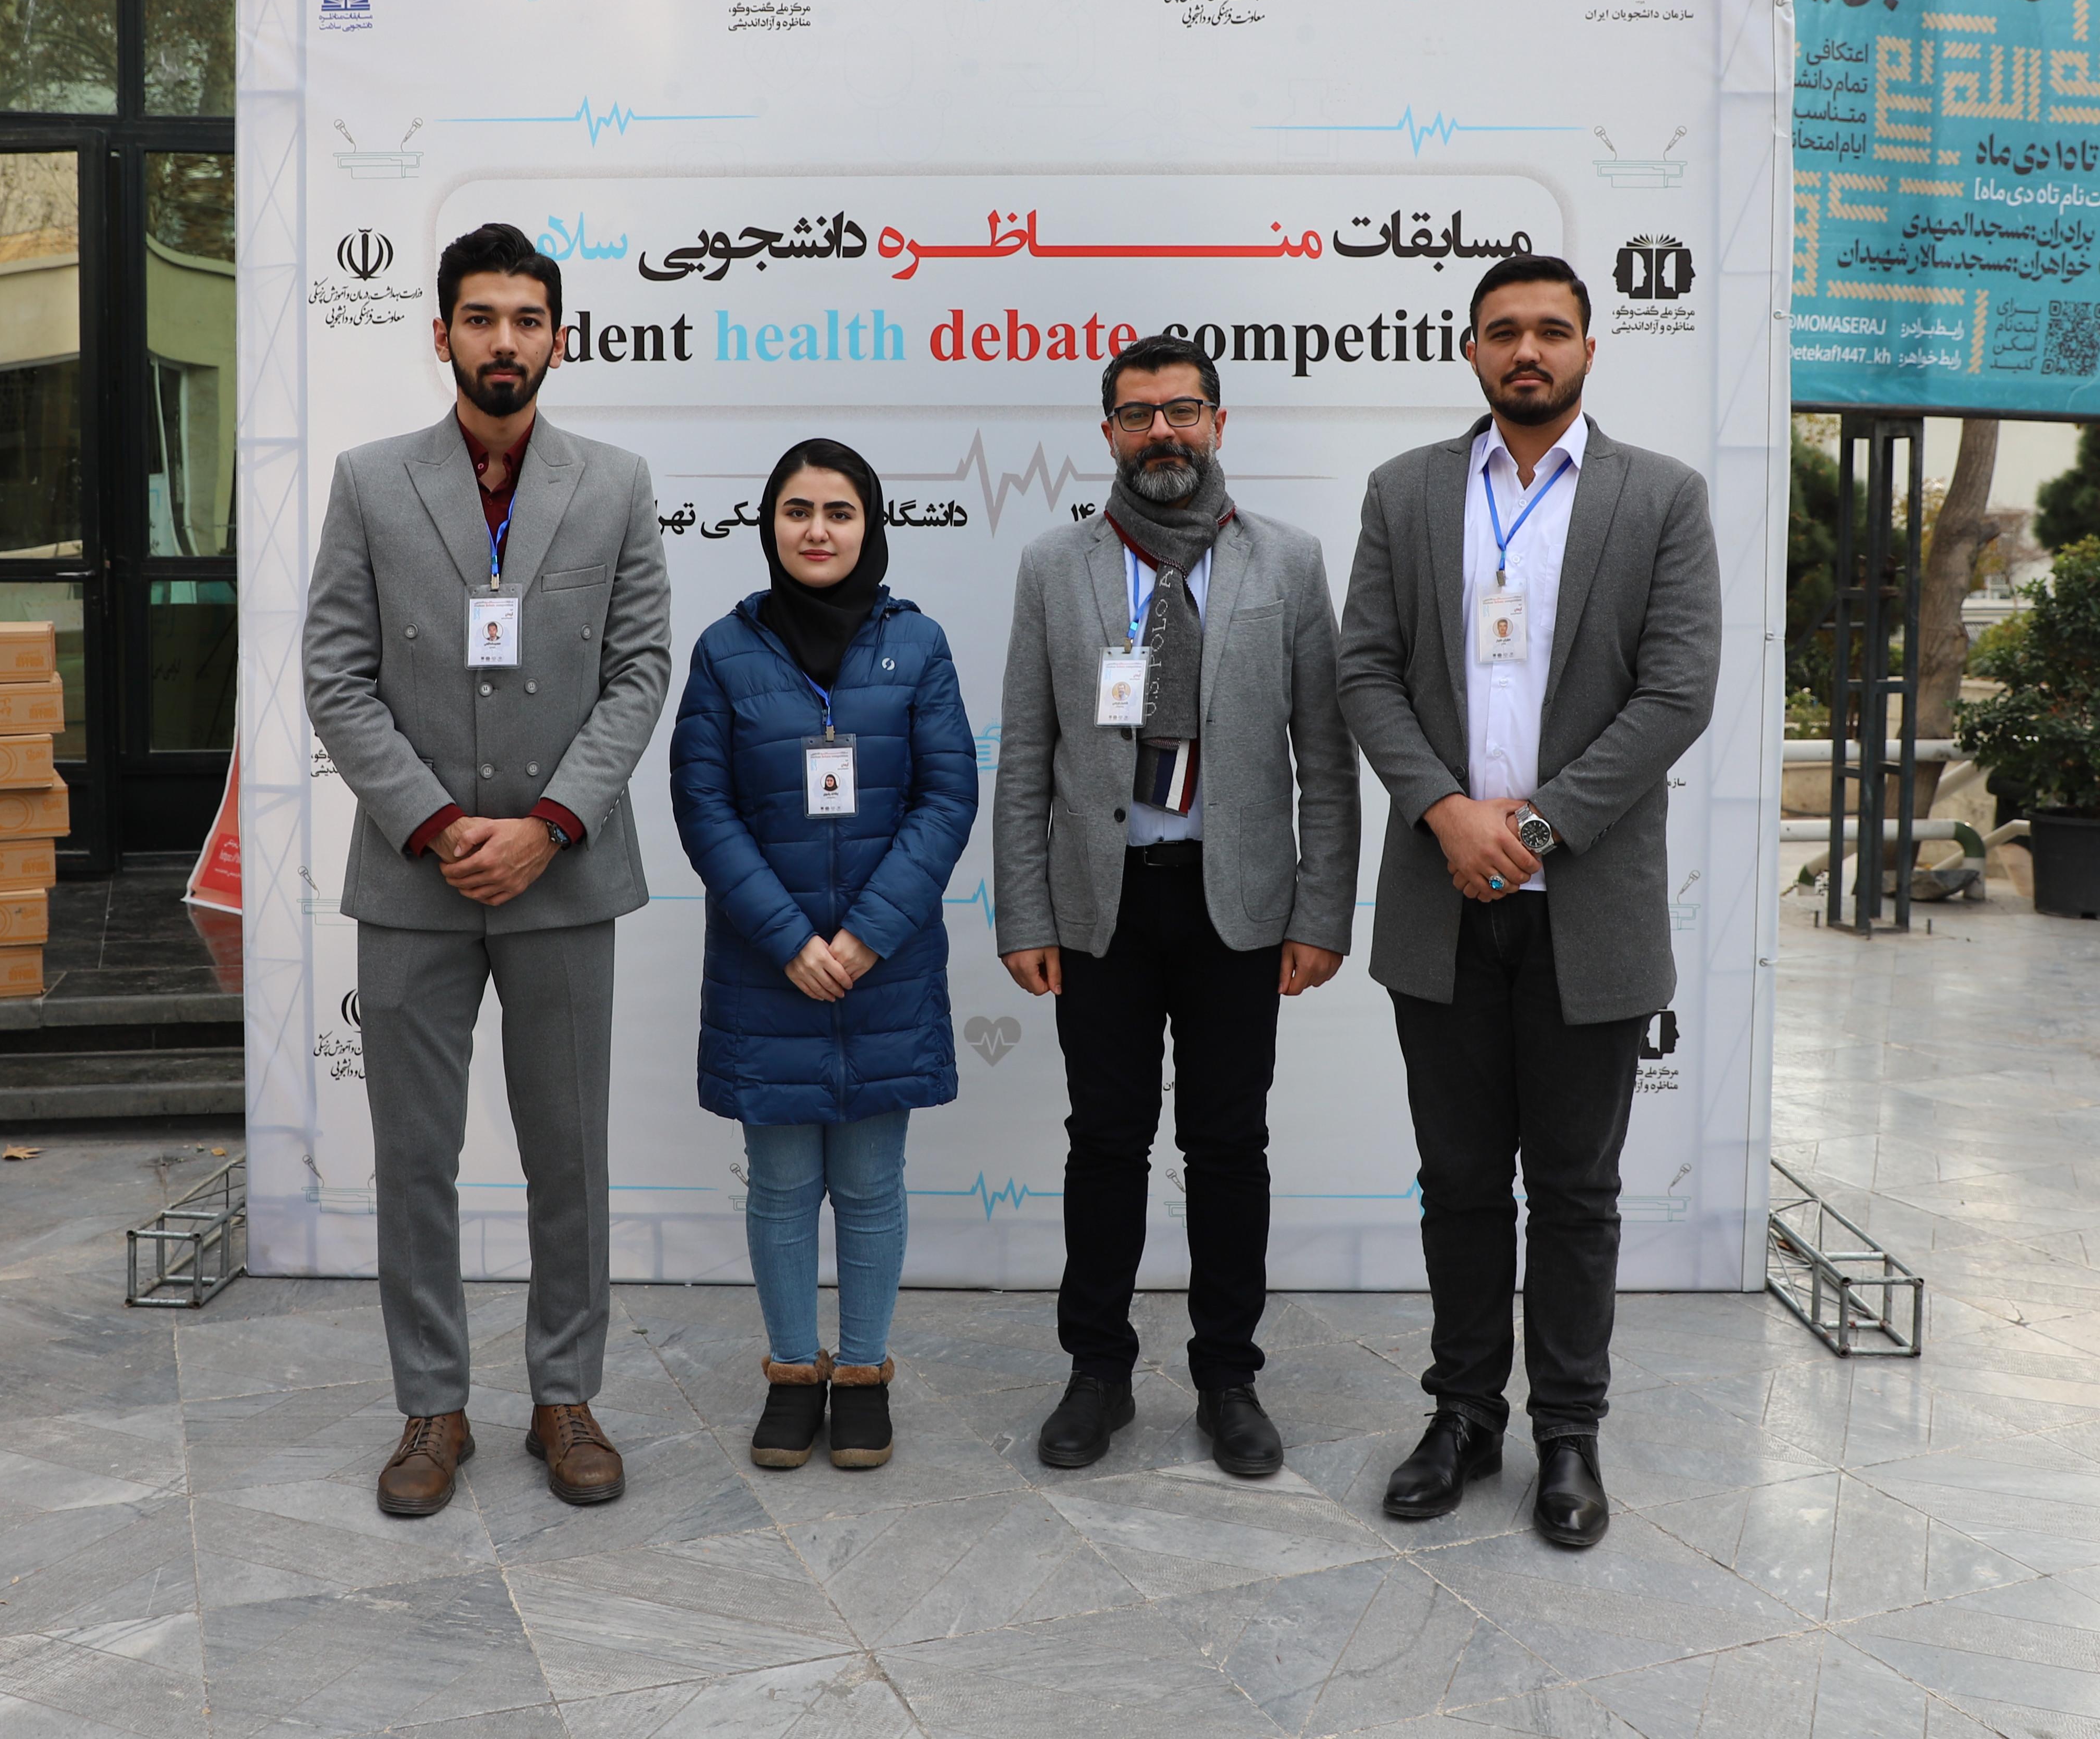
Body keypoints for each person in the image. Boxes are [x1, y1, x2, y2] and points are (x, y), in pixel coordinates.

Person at [1335, 253, 1719, 1550]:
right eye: (1503, 330)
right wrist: (1449, 815)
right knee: (1456, 1183)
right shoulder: (1404, 492)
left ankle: (1567, 1430)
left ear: (1590, 349)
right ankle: (1461, 1415)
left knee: (1574, 1190)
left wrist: (1536, 827)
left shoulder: (1660, 497)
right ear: (1471, 351)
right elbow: (1366, 670)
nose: (1528, 350)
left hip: (1586, 904)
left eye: (1552, 329)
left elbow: (1676, 691)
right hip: (1441, 898)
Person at [303, 220, 673, 1517]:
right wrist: (436, 823)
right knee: (415, 1159)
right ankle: (432, 1405)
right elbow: (335, 675)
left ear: (557, 337)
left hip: (563, 878)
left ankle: (565, 1395)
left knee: (568, 1156)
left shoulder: (615, 486)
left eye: (525, 318)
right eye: (480, 317)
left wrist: (549, 823)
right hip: (417, 880)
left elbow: (639, 673)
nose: (502, 340)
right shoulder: (369, 482)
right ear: (443, 332)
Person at [992, 336, 1360, 1478]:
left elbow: (1326, 757)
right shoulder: (1054, 567)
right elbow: (1026, 753)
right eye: (1139, 413)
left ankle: (1228, 1378)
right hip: (1099, 907)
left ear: (1219, 423)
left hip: (1236, 908)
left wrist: (1322, 911)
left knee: (1228, 1146)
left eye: (1183, 410)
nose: (1163, 431)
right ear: (1107, 432)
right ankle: (1096, 1371)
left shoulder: (1288, 563)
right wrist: (1023, 913)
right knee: (1104, 1143)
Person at [671, 439, 979, 1471]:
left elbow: (947, 797)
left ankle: (864, 1374)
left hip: (886, 966)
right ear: (769, 526)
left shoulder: (918, 646)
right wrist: (791, 939)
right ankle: (794, 1373)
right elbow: (704, 807)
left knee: (873, 1181)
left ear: (870, 526)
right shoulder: (726, 651)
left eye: (839, 512)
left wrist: (868, 933)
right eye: (797, 510)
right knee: (780, 1183)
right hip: (767, 968)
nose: (817, 530)